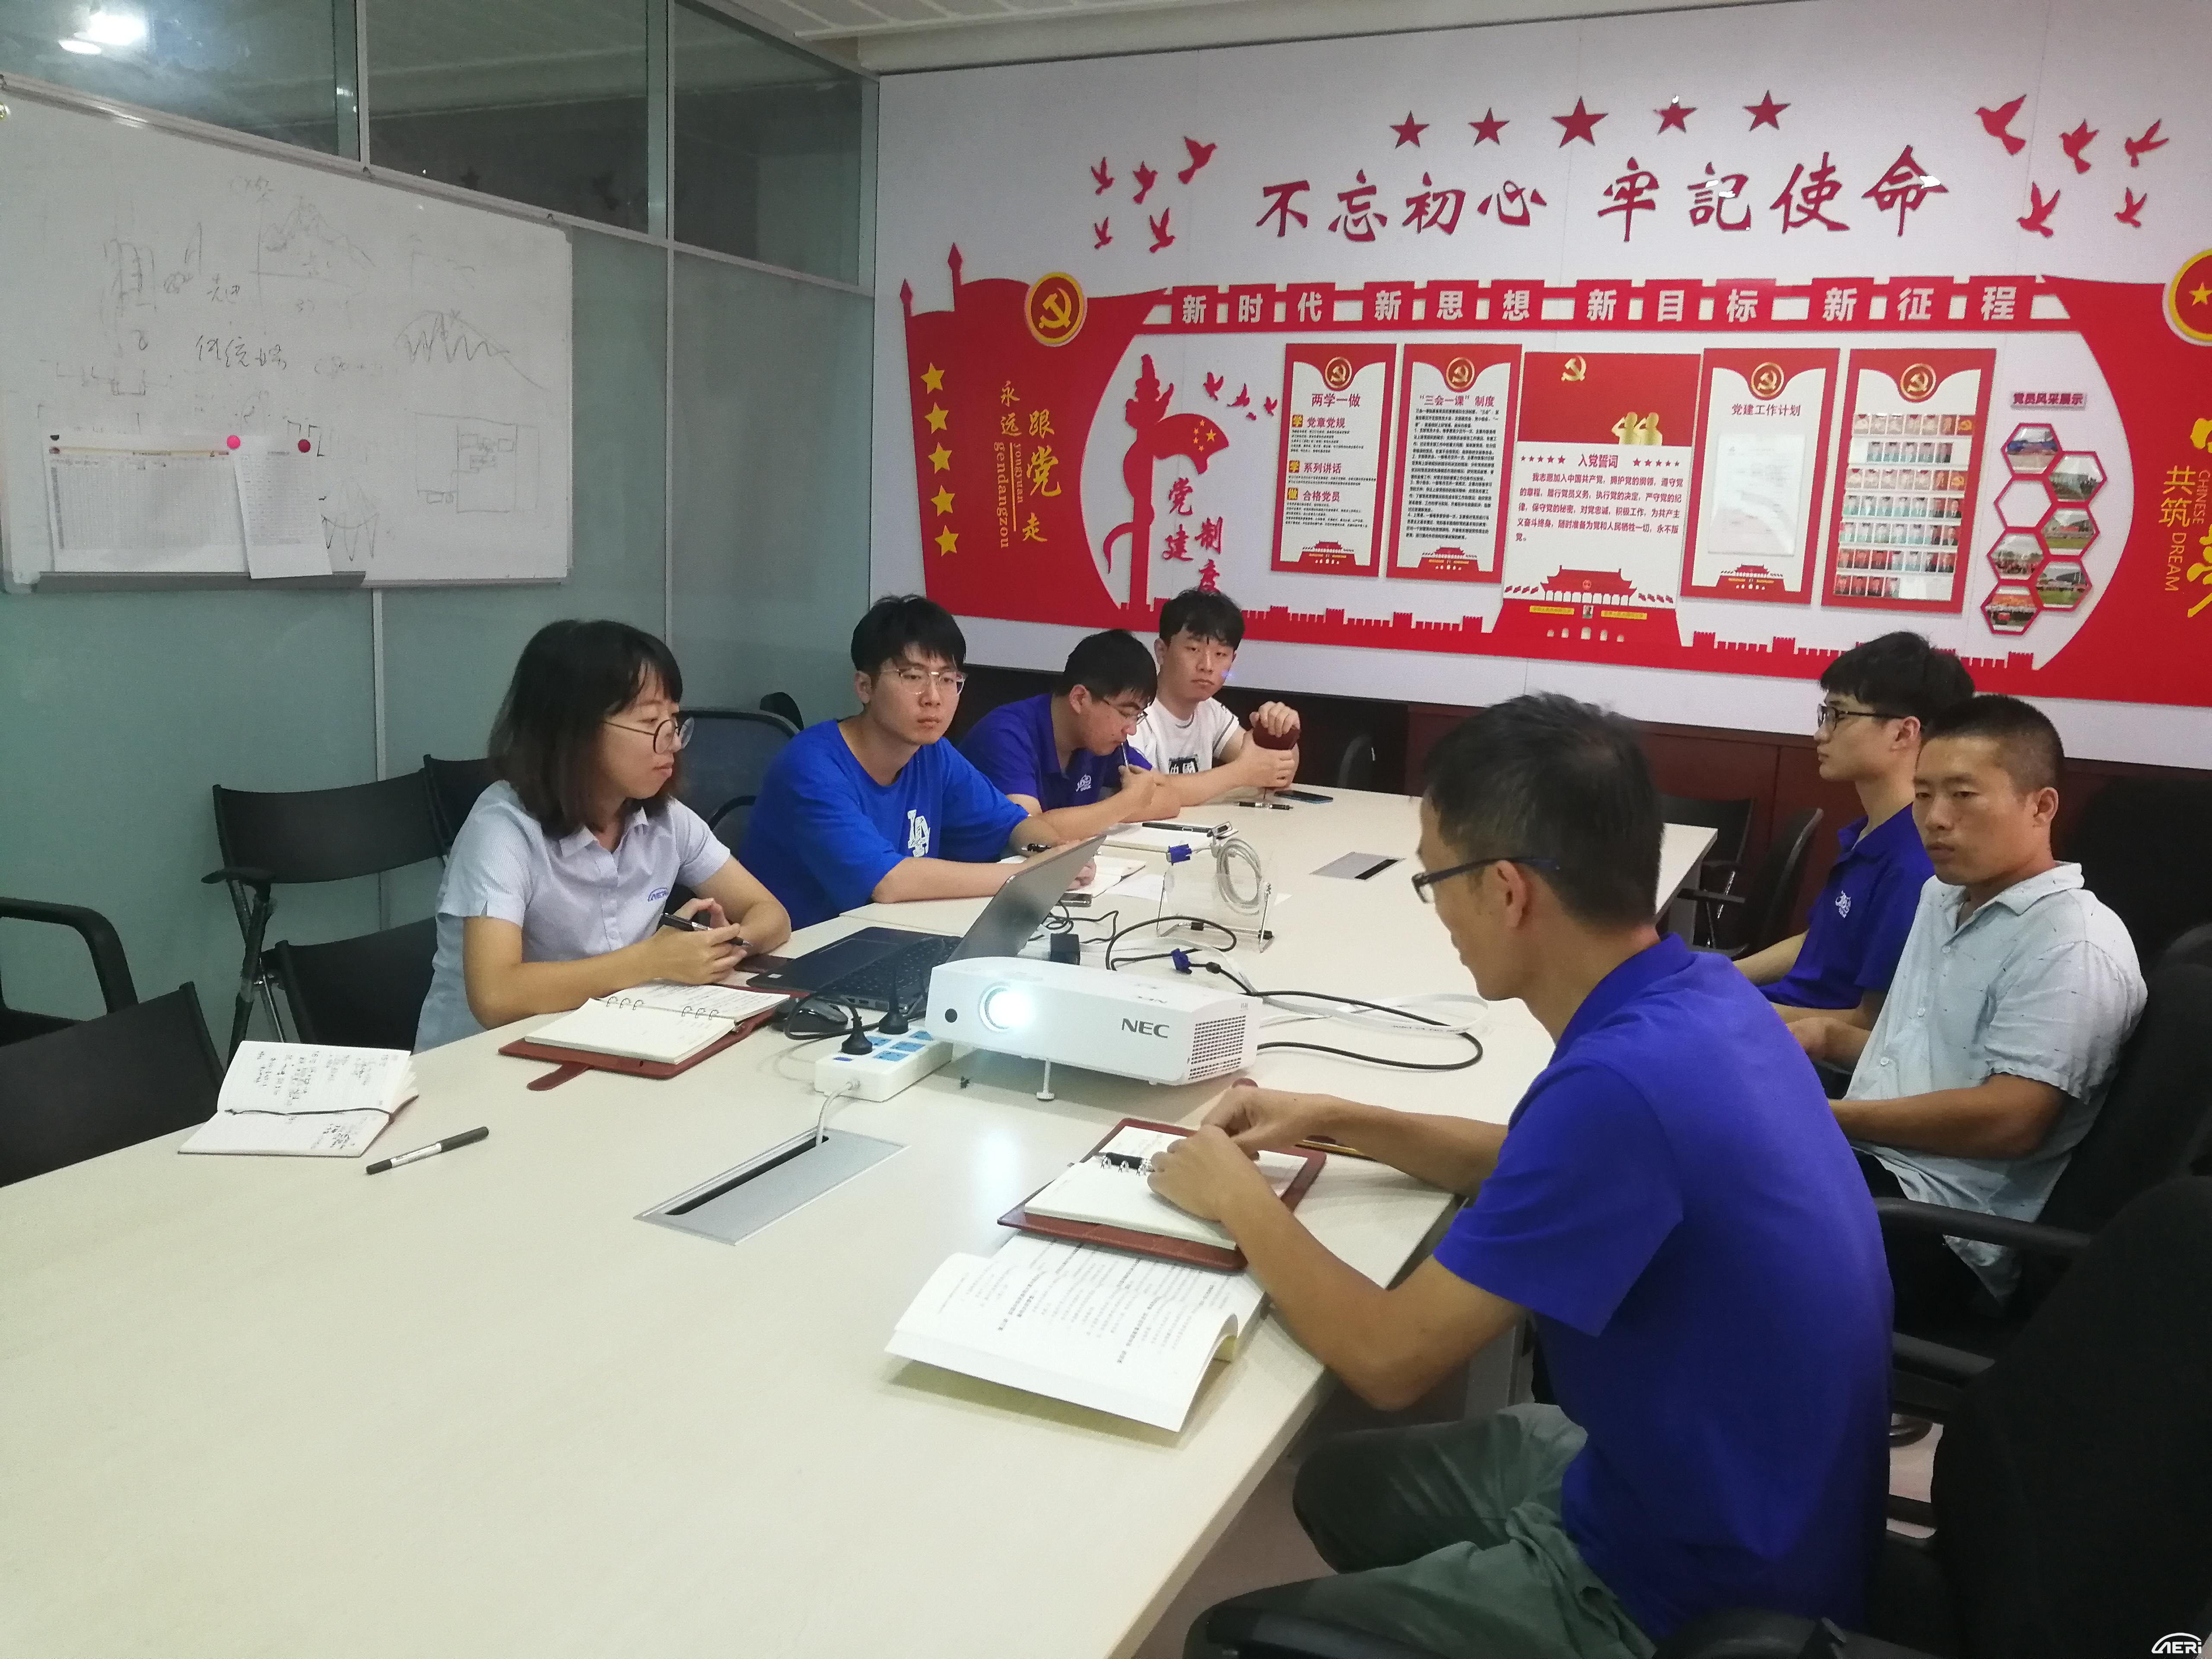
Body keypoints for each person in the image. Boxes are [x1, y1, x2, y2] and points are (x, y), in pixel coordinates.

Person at [1157, 695, 1890, 1658]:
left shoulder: (1620, 1088)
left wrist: (1238, 1199)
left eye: (1434, 880)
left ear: (1507, 891)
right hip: (1748, 1492)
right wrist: (1336, 1118)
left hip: (1685, 1589)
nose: (1438, 913)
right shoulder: (1700, 995)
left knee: (1225, 1637)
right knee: (1340, 1485)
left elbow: (1386, 1359)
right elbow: (1545, 1166)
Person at [1795, 694, 2145, 1322]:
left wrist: (1825, 1118)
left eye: (1962, 795)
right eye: (1923, 794)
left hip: (1936, 1227)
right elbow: (1936, 1055)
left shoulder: (2072, 943)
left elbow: (2011, 1119)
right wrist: (1823, 1036)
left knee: (1701, 1214)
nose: (1935, 819)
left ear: (2041, 806)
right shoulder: (1942, 895)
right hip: (1870, 1167)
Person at [415, 620, 791, 1052]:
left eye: (673, 720)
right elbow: (496, 996)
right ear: (574, 731)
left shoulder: (666, 818)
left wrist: (722, 947)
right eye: (650, 721)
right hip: (481, 1064)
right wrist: (652, 960)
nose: (672, 742)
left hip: (605, 1043)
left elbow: (770, 913)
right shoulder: (503, 830)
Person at [739, 595, 1069, 932]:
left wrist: (1053, 854)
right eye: (913, 677)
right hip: (799, 951)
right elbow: (889, 883)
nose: (934, 697)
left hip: (889, 936)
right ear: (864, 687)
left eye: (948, 679)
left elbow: (1015, 824)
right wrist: (1027, 875)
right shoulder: (811, 767)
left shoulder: (933, 754)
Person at [1738, 632, 1974, 1027]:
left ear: (1903, 733)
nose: (1821, 733)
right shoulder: (1868, 832)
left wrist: (1729, 1010)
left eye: (1839, 715)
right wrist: (1720, 977)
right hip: (1780, 1013)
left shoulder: (1914, 863)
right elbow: (1817, 943)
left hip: (1806, 1047)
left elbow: (1871, 1024)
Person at [958, 629, 1180, 839]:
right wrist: (1126, 802)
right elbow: (1030, 832)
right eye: (1126, 714)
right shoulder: (1006, 736)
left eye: (1137, 716)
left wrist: (1111, 808)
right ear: (1080, 699)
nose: (1131, 729)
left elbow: (1169, 797)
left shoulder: (1103, 742)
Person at [1130, 587, 1303, 806]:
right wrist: (1239, 773)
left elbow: (1277, 777)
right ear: (1162, 651)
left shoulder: (1210, 711)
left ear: (1233, 660)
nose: (1207, 666)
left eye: (1221, 654)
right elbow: (1142, 794)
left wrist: (1282, 734)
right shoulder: (1131, 714)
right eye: (1193, 649)